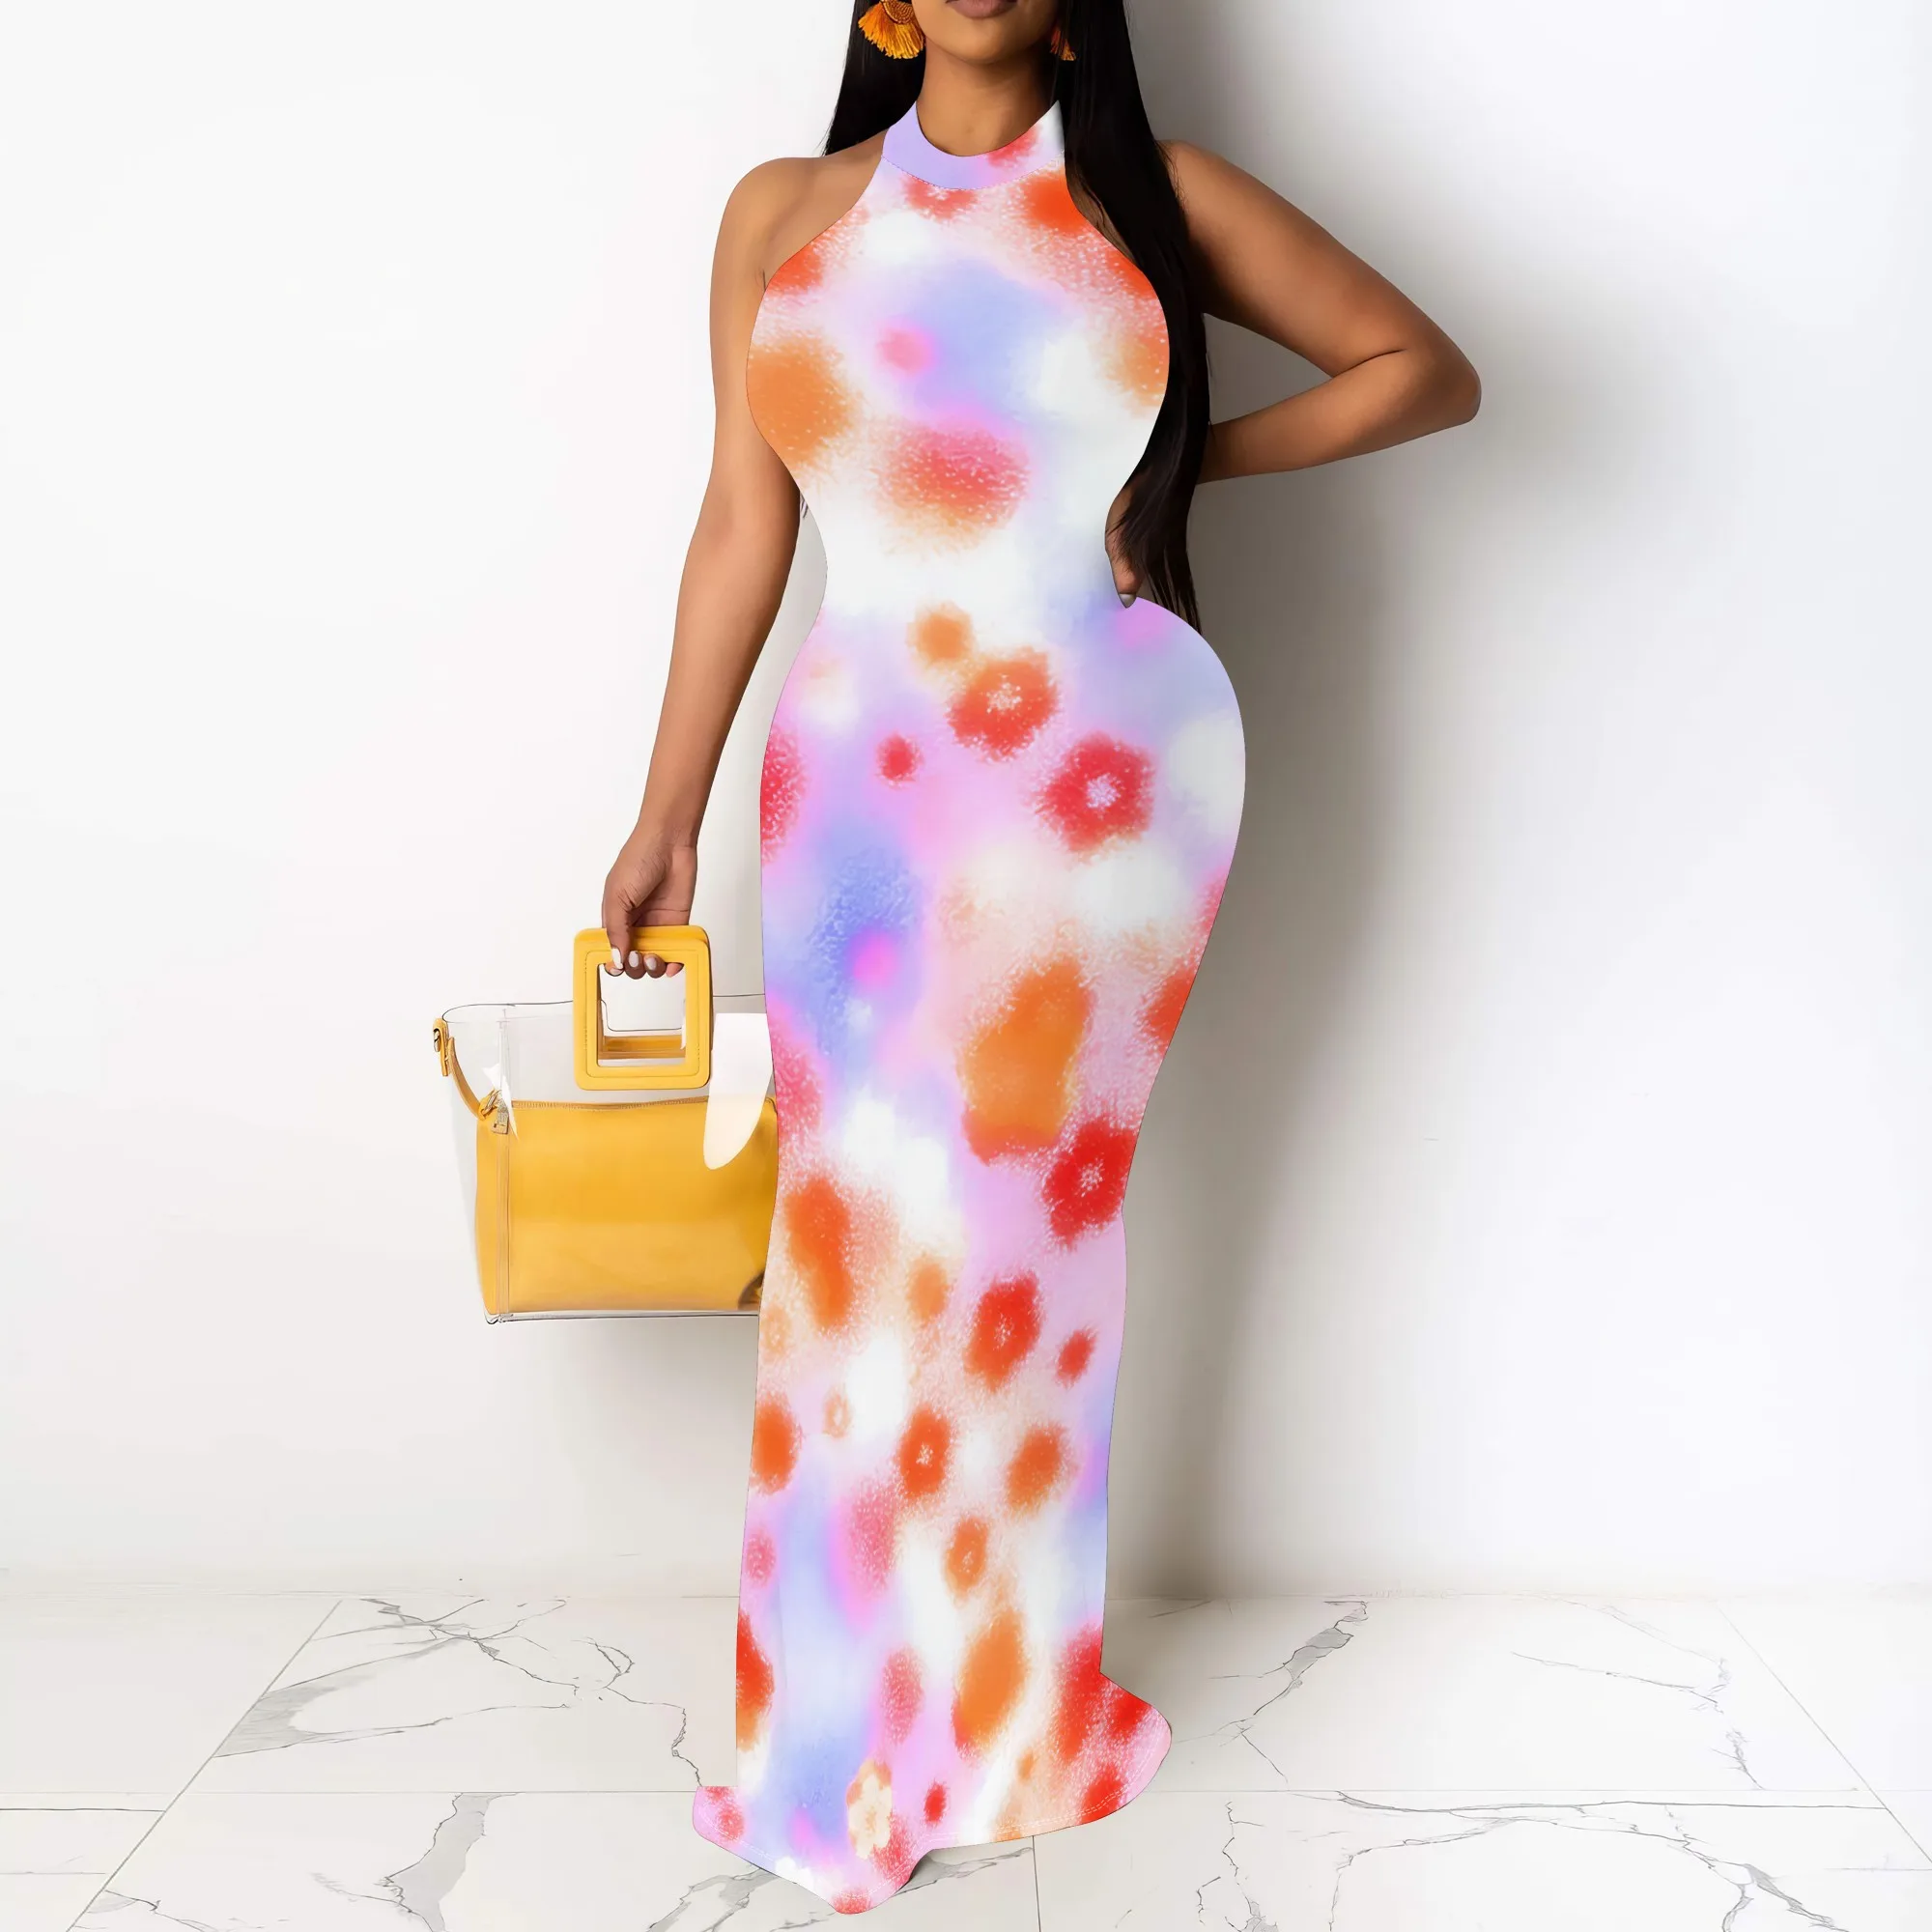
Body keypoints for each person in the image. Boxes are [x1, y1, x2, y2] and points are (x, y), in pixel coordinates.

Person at [601, 0, 1477, 1912]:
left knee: (1013, 1238)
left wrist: (1182, 466)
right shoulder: (783, 214)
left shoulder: (1159, 198)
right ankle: (837, 1729)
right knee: (853, 1233)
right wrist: (666, 808)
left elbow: (1426, 369)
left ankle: (1001, 1714)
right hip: (858, 777)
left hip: (1100, 773)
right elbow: (743, 524)